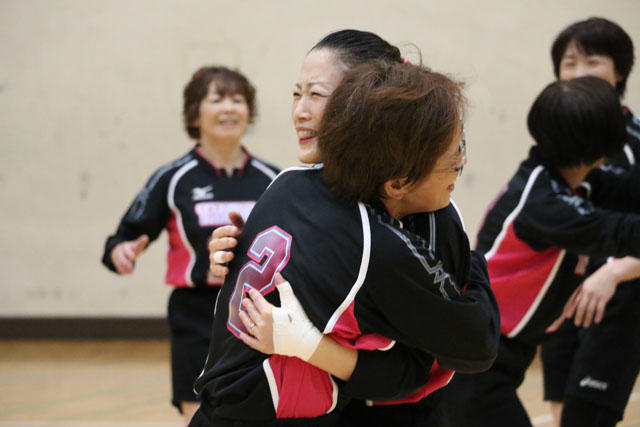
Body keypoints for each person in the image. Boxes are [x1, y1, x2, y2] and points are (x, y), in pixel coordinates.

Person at [205, 29, 499, 426]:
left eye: (317, 95)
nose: (300, 111)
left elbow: (442, 355)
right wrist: (229, 252)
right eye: (297, 93)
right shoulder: (307, 193)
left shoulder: (428, 215)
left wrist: (312, 347)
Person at [441, 76, 640, 427]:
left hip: (495, 355)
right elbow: (623, 232)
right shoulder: (546, 202)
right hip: (474, 360)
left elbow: (629, 192)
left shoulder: (571, 181)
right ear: (604, 149)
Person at [101, 66, 279, 425]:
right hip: (195, 313)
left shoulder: (273, 179)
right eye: (217, 99)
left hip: (255, 311)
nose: (229, 108)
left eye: (238, 100)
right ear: (195, 115)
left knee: (257, 408)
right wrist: (121, 251)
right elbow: (126, 235)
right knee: (198, 411)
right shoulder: (172, 178)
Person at [539, 17, 640, 427]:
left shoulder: (635, 143)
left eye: (593, 61)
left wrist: (614, 273)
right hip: (563, 300)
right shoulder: (556, 141)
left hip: (619, 304)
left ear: (620, 71)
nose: (579, 72)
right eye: (570, 63)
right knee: (563, 414)